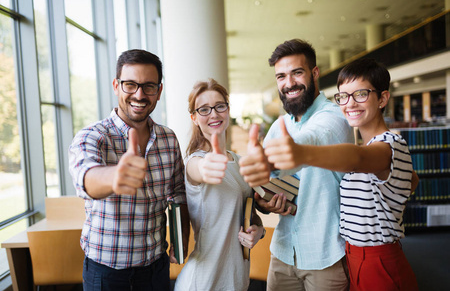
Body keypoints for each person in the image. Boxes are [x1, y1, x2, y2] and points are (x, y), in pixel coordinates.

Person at [263, 58, 419, 290]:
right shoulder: (374, 148)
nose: (349, 104)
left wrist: (301, 154)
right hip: (353, 257)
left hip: (379, 260)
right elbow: (412, 180)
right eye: (343, 96)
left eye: (361, 94)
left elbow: (355, 159)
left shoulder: (389, 145)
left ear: (383, 98)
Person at [68, 49, 190, 290]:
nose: (139, 94)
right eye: (130, 85)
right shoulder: (93, 136)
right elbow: (86, 178)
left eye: (148, 86)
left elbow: (178, 194)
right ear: (116, 86)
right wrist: (115, 177)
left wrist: (180, 238)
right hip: (106, 273)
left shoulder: (168, 138)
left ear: (159, 91)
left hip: (156, 268)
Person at [239, 39, 354, 291]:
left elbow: (310, 140)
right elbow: (263, 188)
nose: (288, 83)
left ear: (314, 73)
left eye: (297, 73)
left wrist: (277, 159)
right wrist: (265, 203)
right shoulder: (281, 125)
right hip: (283, 252)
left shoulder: (334, 118)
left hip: (326, 257)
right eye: (281, 76)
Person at [174, 78, 265, 291]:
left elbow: (249, 216)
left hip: (237, 279)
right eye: (204, 110)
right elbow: (198, 170)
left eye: (219, 106)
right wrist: (208, 167)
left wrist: (258, 232)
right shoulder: (194, 163)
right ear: (194, 118)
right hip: (203, 282)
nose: (214, 114)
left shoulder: (241, 162)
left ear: (228, 109)